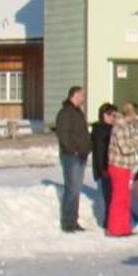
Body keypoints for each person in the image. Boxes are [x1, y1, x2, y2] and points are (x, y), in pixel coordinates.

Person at [54, 86, 92, 232]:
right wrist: (73, 150)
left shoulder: (77, 112)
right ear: (74, 95)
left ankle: (73, 220)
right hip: (72, 156)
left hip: (81, 155)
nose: (84, 98)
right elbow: (63, 135)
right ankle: (68, 223)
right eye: (82, 95)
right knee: (72, 189)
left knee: (76, 189)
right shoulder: (65, 113)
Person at [108, 101, 138, 237]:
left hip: (126, 166)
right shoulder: (119, 127)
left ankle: (124, 227)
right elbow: (125, 148)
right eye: (134, 115)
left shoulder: (129, 125)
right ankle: (115, 228)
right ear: (129, 114)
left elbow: (135, 137)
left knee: (125, 197)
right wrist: (137, 144)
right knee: (119, 198)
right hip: (118, 165)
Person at [90, 103, 117, 231]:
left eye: (115, 115)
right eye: (111, 115)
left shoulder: (112, 129)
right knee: (104, 195)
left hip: (112, 167)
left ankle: (109, 220)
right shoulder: (101, 130)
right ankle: (104, 221)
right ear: (104, 115)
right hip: (104, 168)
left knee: (110, 195)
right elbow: (100, 152)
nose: (113, 118)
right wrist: (103, 169)